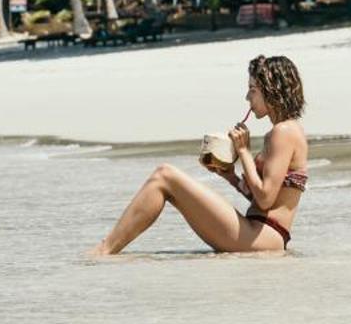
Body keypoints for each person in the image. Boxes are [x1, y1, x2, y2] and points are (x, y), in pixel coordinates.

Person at [90, 54, 308, 256]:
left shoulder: (283, 132)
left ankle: (103, 251)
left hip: (262, 237)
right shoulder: (287, 131)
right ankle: (106, 250)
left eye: (252, 90)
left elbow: (265, 198)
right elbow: (264, 201)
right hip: (259, 233)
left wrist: (243, 151)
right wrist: (230, 176)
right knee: (166, 182)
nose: (247, 97)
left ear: (272, 89)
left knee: (164, 175)